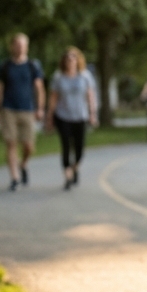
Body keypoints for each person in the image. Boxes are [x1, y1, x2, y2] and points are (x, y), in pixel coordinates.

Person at [0, 33, 45, 192]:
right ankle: (14, 177)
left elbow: (39, 88)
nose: (20, 47)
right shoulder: (5, 66)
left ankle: (23, 164)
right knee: (11, 143)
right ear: (12, 46)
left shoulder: (32, 66)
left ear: (26, 47)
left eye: (23, 44)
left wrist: (40, 108)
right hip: (8, 109)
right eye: (17, 44)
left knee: (28, 145)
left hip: (27, 109)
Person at [47, 46, 97, 190]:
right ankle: (68, 176)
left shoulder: (85, 76)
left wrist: (92, 113)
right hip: (63, 116)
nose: (70, 61)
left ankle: (75, 168)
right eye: (68, 59)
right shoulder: (58, 77)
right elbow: (53, 98)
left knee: (80, 150)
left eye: (73, 58)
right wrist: (50, 116)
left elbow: (90, 96)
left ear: (78, 60)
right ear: (64, 61)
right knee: (66, 147)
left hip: (80, 116)